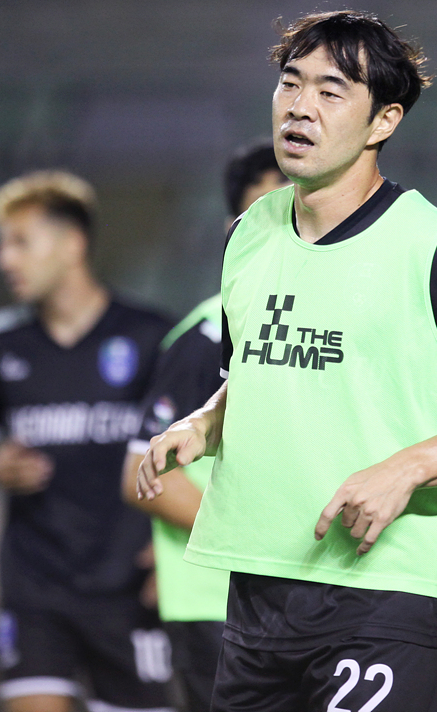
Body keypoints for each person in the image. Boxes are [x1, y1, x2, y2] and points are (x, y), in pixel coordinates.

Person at [138, 11, 437, 711]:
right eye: (290, 83)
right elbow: (256, 375)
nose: (300, 106)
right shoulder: (249, 233)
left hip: (379, 594)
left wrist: (406, 469)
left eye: (331, 91)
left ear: (383, 121)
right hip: (257, 590)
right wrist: (205, 423)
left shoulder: (433, 246)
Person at [0, 170, 175, 712]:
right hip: (36, 585)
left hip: (128, 582)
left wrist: (176, 553)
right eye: (2, 244)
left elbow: (195, 453)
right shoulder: (0, 342)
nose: (4, 259)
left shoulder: (151, 336)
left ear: (72, 245)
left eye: (20, 242)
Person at [120, 141, 288, 712]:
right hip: (218, 605)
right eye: (261, 212)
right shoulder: (208, 335)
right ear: (231, 231)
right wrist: (255, 542)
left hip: (283, 601)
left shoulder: (308, 331)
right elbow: (142, 473)